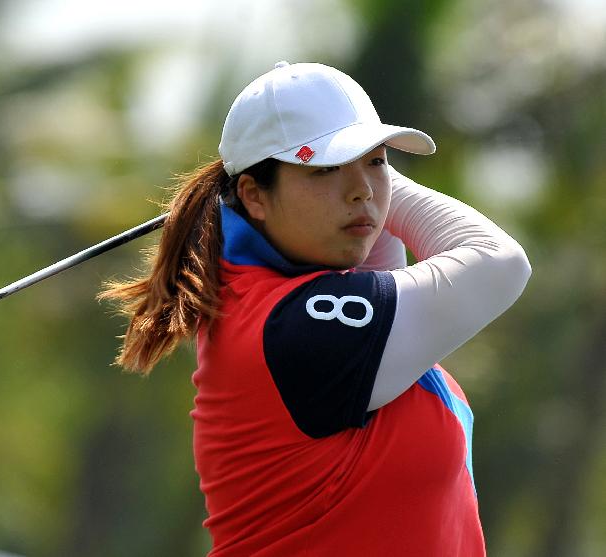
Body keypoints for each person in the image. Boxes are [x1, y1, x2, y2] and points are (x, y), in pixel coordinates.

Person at [99, 61, 531, 556]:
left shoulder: (293, 301)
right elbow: (500, 262)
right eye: (325, 167)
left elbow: (381, 265)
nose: (362, 189)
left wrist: (363, 185)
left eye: (376, 161)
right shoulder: (298, 327)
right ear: (254, 196)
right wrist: (378, 186)